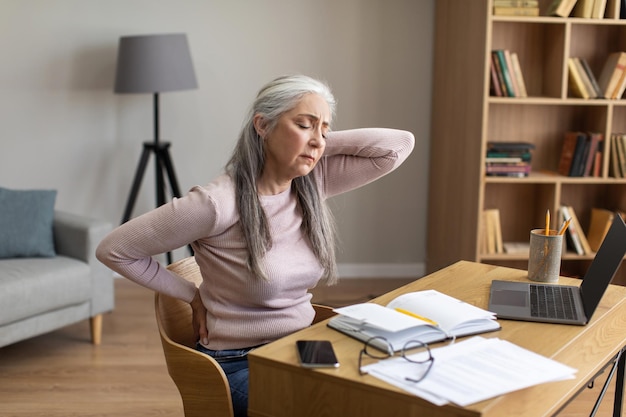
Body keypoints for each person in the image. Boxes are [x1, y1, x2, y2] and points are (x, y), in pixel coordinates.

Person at [96, 74, 415, 416]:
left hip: (301, 348)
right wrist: (192, 293)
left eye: (324, 129)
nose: (318, 140)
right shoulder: (218, 204)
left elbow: (398, 146)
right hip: (237, 363)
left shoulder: (310, 183)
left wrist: (315, 140)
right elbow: (114, 250)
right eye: (304, 124)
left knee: (388, 396)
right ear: (262, 125)